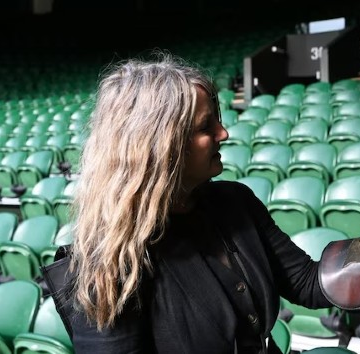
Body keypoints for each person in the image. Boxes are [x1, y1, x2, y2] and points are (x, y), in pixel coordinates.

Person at [63, 52, 333, 353]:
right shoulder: (110, 258)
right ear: (160, 146)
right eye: (206, 127)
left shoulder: (236, 201)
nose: (223, 133)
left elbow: (307, 282)